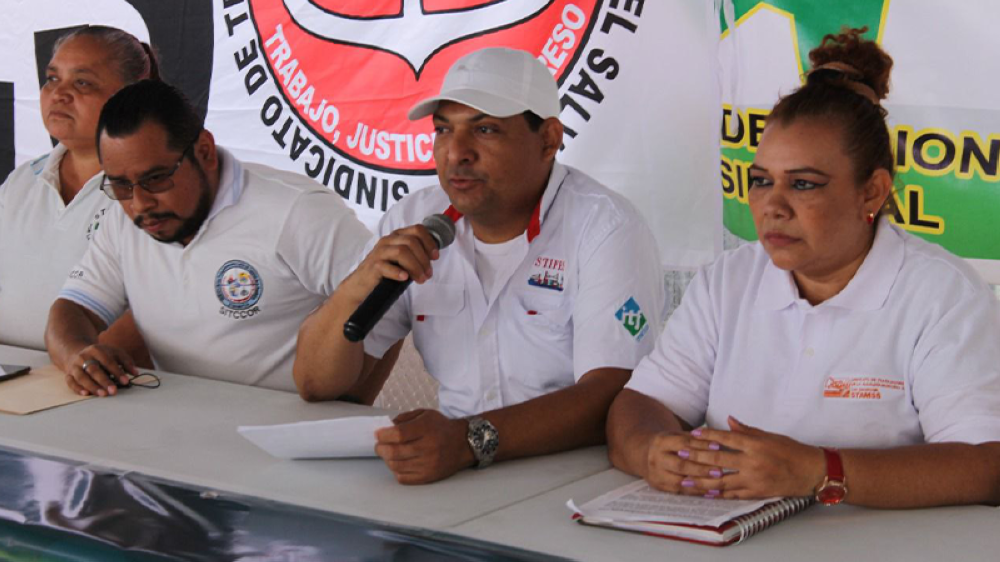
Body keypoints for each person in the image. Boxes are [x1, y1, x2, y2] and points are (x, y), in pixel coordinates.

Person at [607, 28, 1000, 508]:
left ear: (872, 192)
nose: (772, 206)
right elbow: (643, 403)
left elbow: (985, 466)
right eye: (760, 181)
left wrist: (820, 472)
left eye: (804, 184)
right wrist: (651, 451)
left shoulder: (942, 296)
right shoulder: (727, 282)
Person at [294, 47, 666, 484]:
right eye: (443, 130)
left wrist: (468, 441)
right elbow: (316, 384)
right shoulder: (412, 220)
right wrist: (356, 286)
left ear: (548, 139)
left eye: (485, 129)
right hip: (456, 473)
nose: (456, 153)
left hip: (579, 476)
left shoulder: (604, 226)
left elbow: (614, 393)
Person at [46, 80, 373, 397]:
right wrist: (76, 355)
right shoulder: (123, 219)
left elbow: (386, 305)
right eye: (120, 185)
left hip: (284, 426)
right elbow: (74, 308)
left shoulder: (297, 210)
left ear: (204, 152)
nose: (140, 203)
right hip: (173, 421)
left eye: (156, 178)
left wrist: (349, 408)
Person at [0, 26, 155, 357]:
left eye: (82, 82)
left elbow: (159, 311)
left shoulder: (153, 191)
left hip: (100, 376)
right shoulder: (22, 181)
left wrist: (79, 365)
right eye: (52, 79)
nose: (59, 94)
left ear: (132, 96)